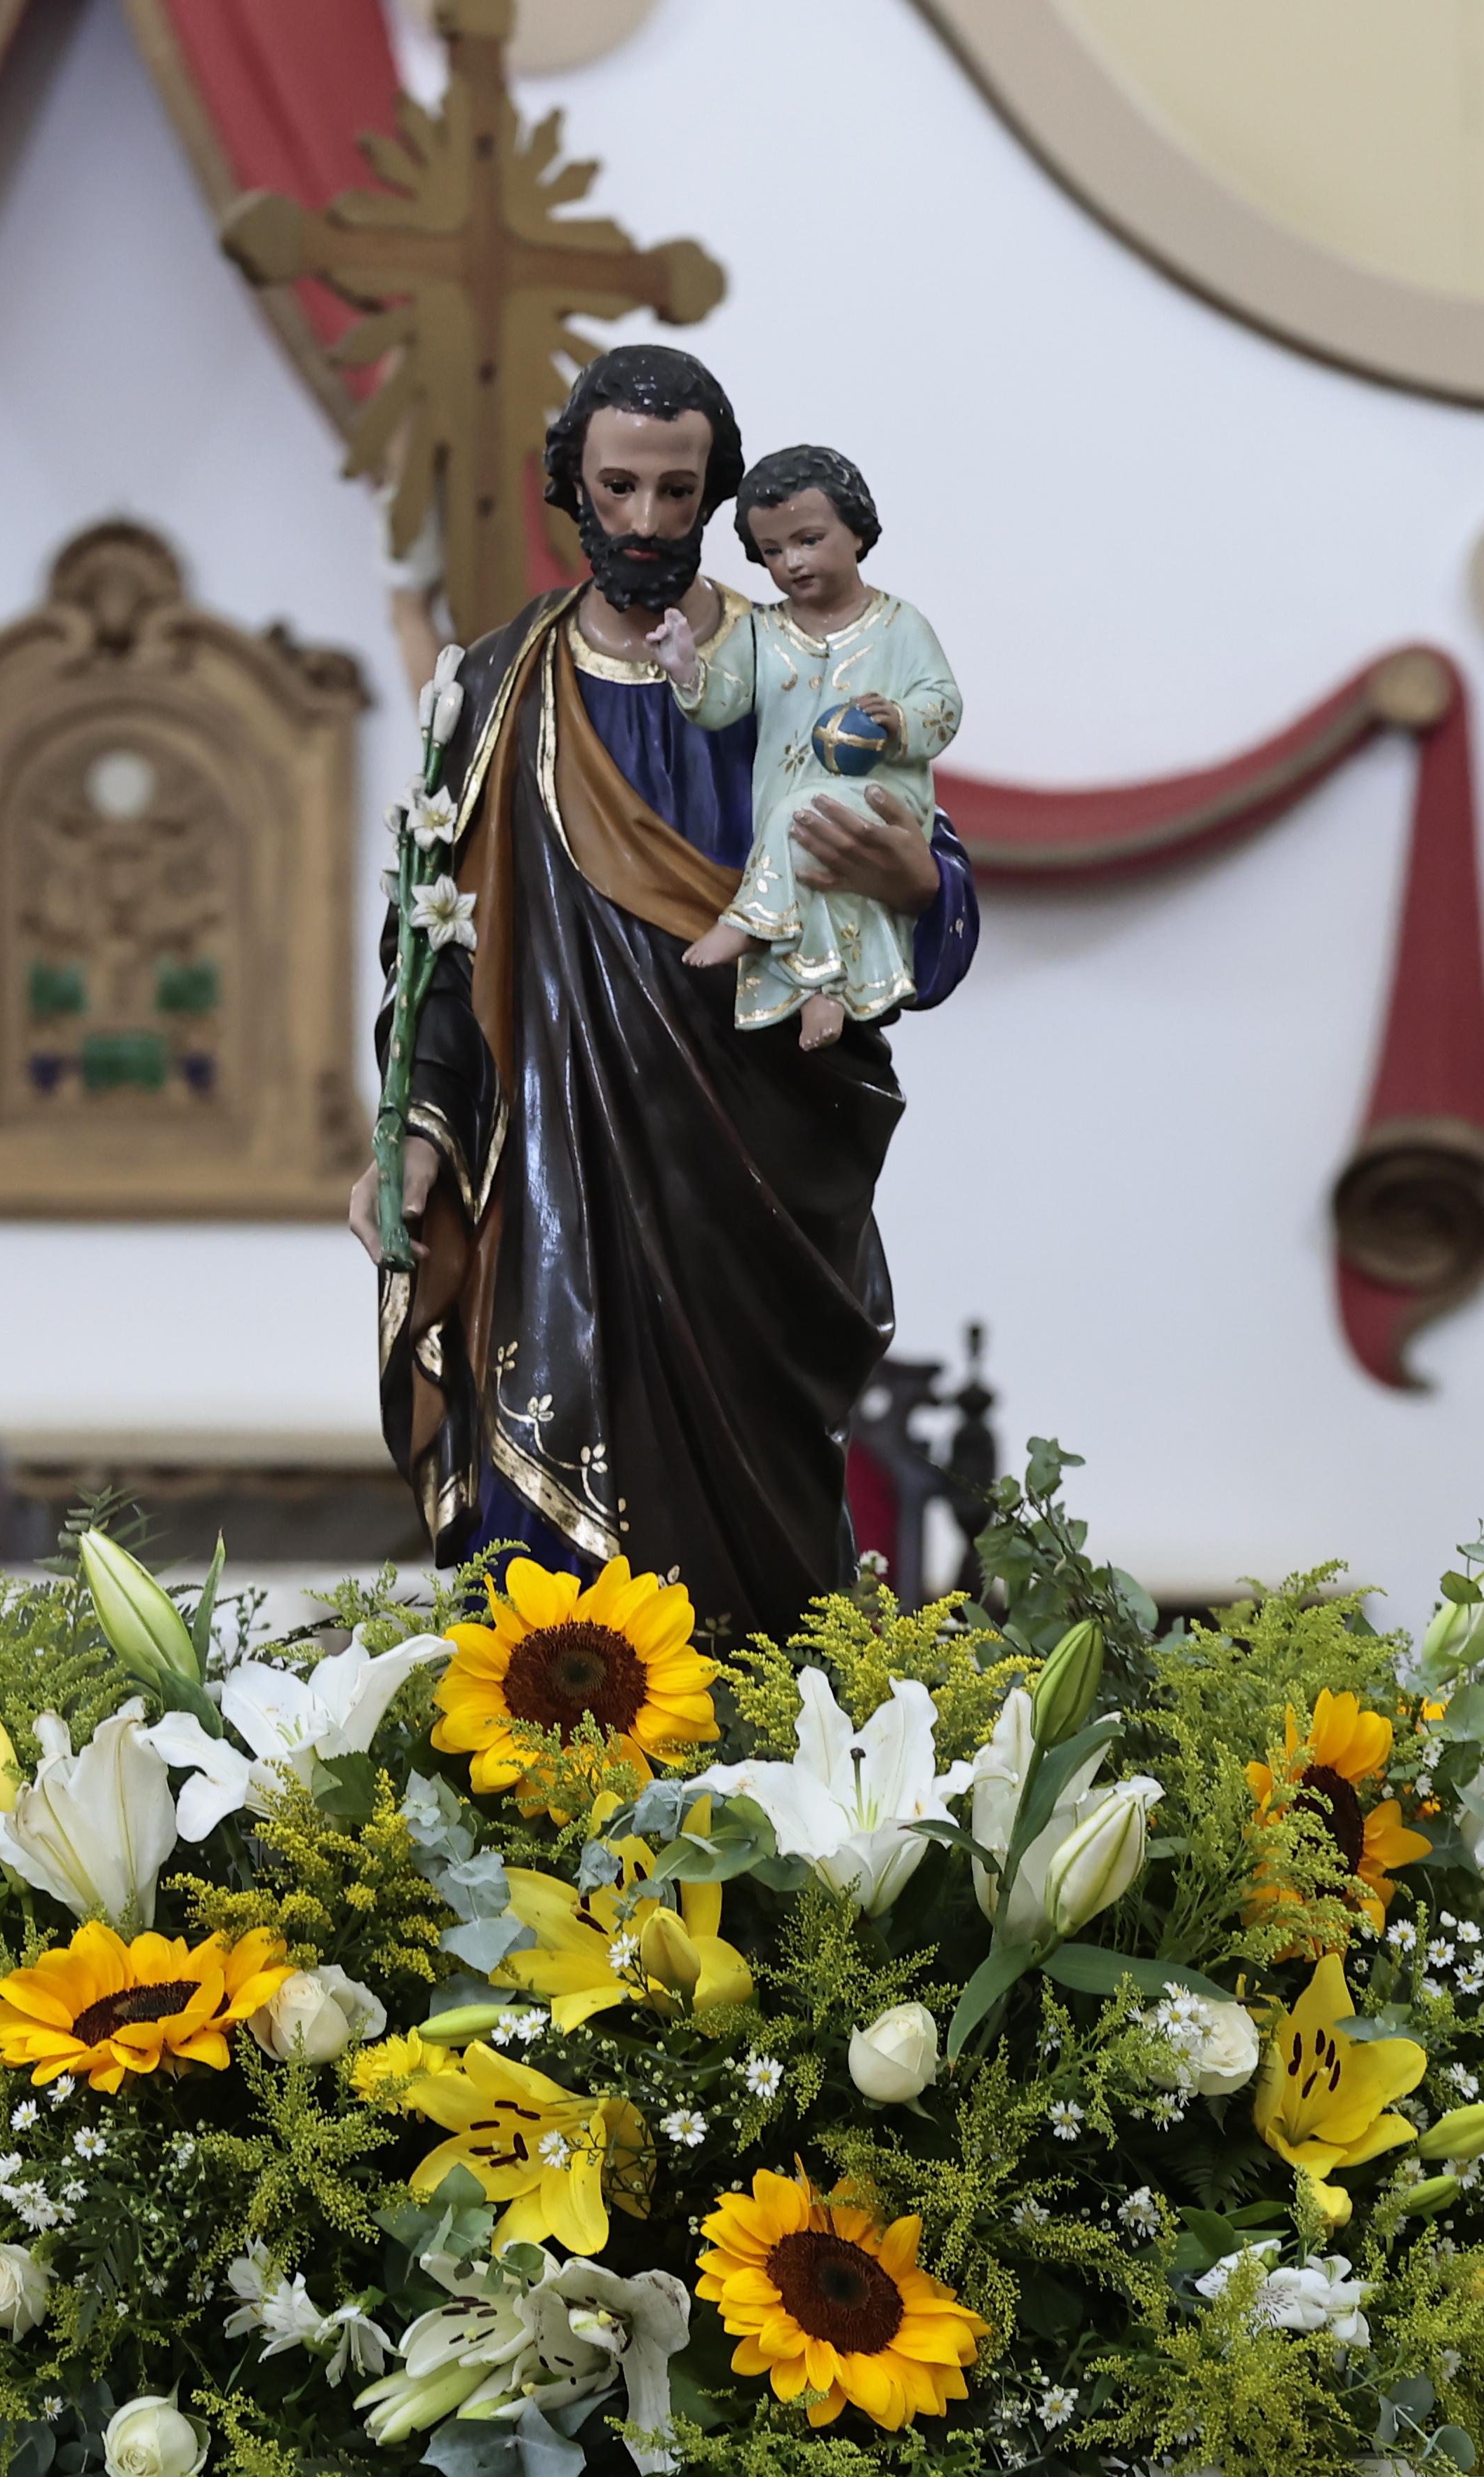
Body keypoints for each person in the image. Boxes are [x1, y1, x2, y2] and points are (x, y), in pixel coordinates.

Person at [347, 344, 979, 1639]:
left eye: (677, 492)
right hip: (551, 1196)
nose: (643, 522)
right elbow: (437, 957)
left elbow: (923, 883)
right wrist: (416, 1129)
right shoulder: (494, 688)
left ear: (717, 497)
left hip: (748, 1181)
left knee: (760, 1575)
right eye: (617, 487)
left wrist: (917, 885)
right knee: (549, 1604)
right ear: (572, 486)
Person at [654, 445, 961, 1050]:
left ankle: (746, 922)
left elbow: (944, 704)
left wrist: (900, 720)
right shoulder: (761, 632)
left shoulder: (901, 626)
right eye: (773, 551)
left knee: (807, 816)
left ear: (857, 533)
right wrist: (687, 670)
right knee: (817, 871)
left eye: (809, 539)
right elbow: (723, 703)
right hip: (787, 809)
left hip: (883, 794)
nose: (792, 562)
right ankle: (827, 993)